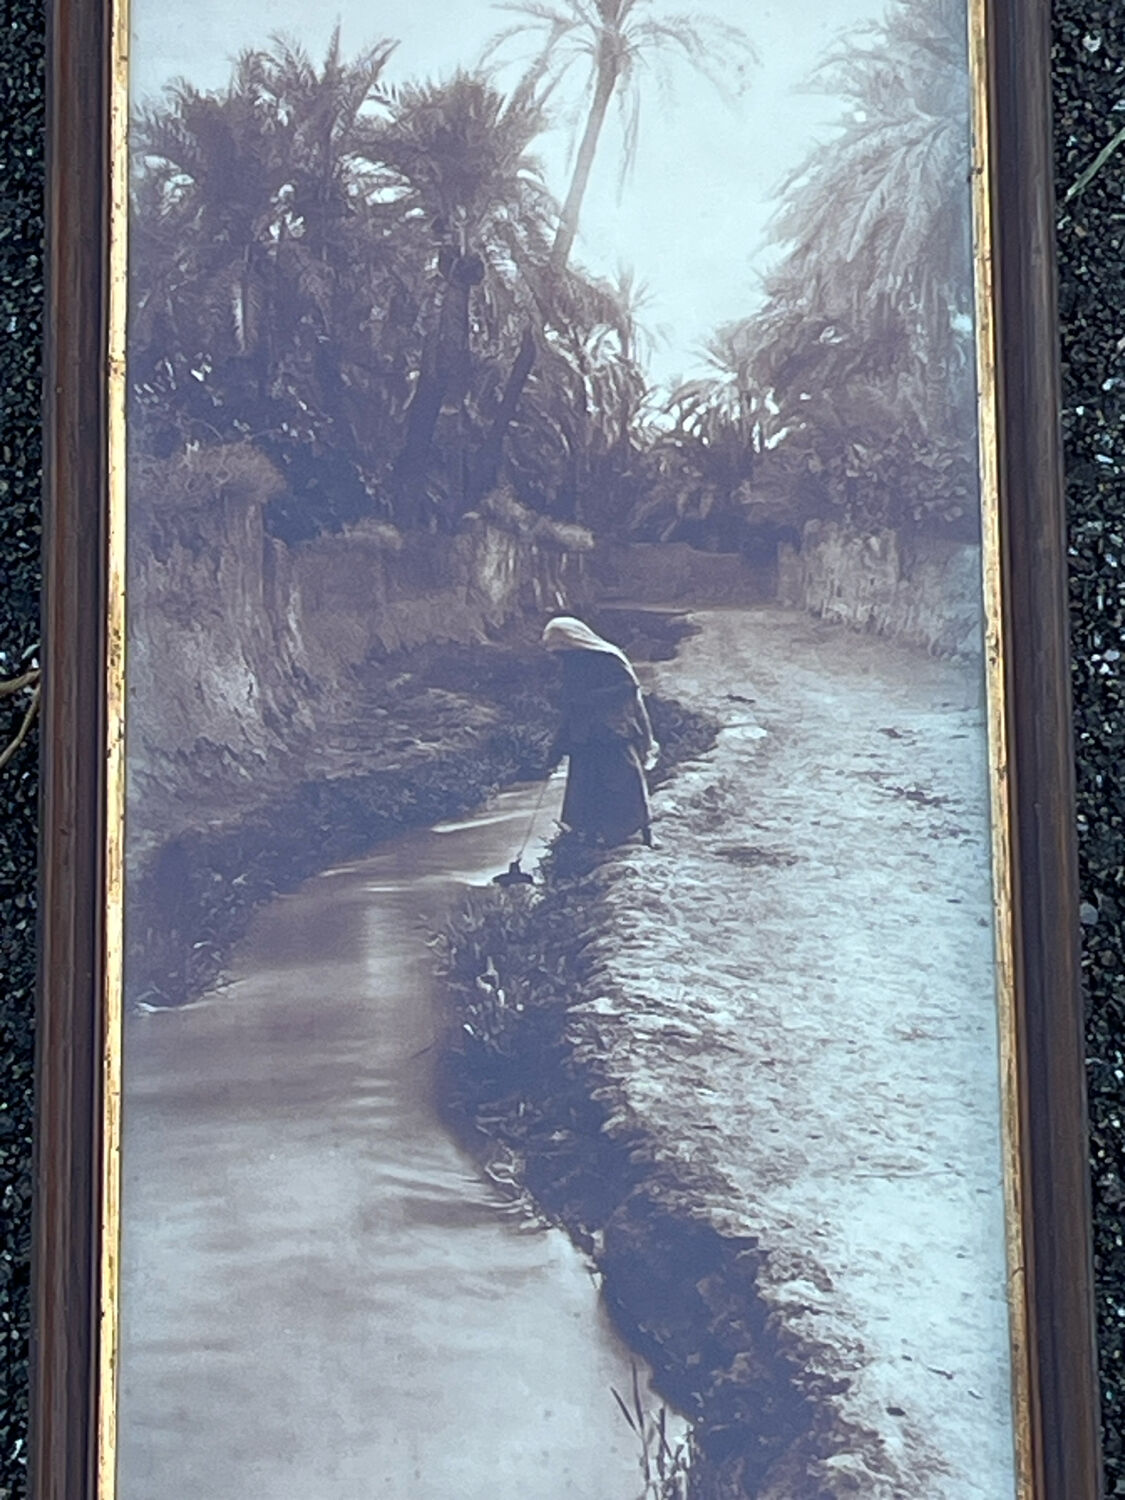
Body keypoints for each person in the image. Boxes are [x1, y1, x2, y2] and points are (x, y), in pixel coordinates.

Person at [542, 616, 660, 848]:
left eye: (560, 649)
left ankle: (638, 834)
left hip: (613, 732)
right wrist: (555, 751)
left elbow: (628, 688)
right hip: (585, 736)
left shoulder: (608, 659)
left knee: (625, 784)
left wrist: (589, 700)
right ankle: (590, 839)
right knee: (585, 788)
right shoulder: (570, 663)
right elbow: (570, 708)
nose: (558, 656)